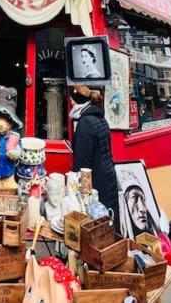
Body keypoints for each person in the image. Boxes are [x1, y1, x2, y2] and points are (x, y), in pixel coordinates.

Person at [70, 85, 120, 232]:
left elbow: (82, 164)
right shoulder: (100, 119)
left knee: (97, 228)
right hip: (107, 178)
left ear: (77, 103)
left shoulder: (85, 123)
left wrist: (77, 190)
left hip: (97, 183)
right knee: (108, 224)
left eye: (71, 102)